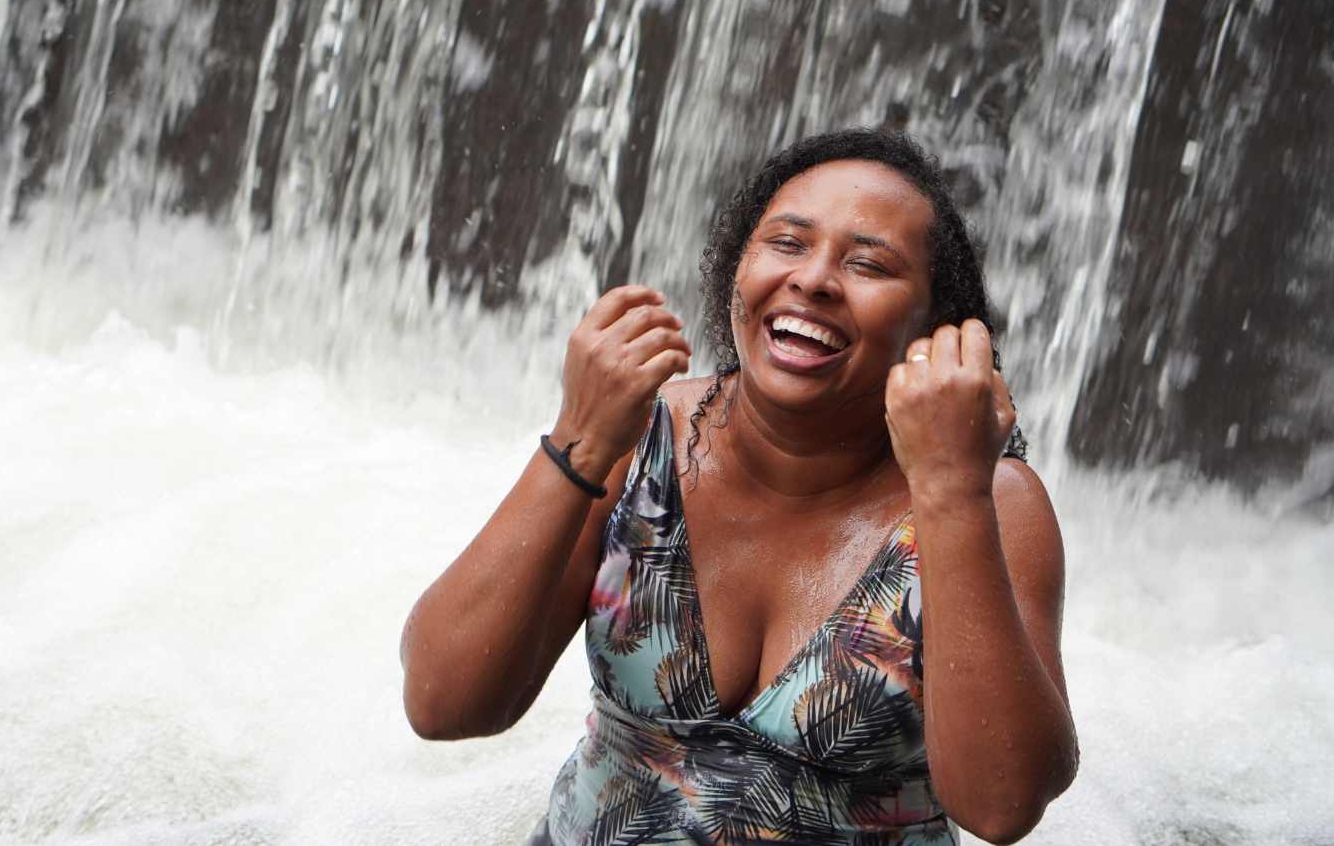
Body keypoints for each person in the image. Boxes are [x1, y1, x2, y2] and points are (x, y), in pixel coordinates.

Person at [401, 127, 1078, 845]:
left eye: (868, 264)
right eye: (787, 243)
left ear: (936, 328)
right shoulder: (638, 434)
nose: (813, 279)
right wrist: (577, 439)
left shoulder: (989, 499)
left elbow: (1003, 805)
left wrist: (949, 490)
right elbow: (442, 703)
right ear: (737, 268)